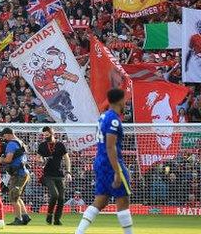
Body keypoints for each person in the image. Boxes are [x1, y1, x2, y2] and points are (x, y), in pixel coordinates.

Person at [75, 88, 134, 234]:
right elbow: (110, 146)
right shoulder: (113, 119)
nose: (125, 102)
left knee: (101, 200)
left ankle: (79, 232)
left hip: (99, 161)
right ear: (120, 101)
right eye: (125, 100)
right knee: (123, 200)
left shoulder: (103, 117)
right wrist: (117, 171)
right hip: (110, 162)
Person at [36, 126, 71, 226]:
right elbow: (38, 158)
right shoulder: (42, 145)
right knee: (54, 195)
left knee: (61, 198)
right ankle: (49, 214)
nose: (45, 136)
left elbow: (67, 158)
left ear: (52, 133)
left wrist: (68, 172)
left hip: (59, 174)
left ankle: (57, 219)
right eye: (44, 135)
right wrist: (42, 160)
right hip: (47, 175)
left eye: (47, 134)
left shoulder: (60, 145)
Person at [0, 128, 30, 225]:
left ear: (8, 134)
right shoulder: (20, 142)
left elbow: (8, 160)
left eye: (4, 136)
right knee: (17, 196)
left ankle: (18, 219)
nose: (3, 138)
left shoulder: (11, 144)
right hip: (23, 173)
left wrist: (0, 159)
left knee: (13, 197)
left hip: (19, 174)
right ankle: (25, 216)